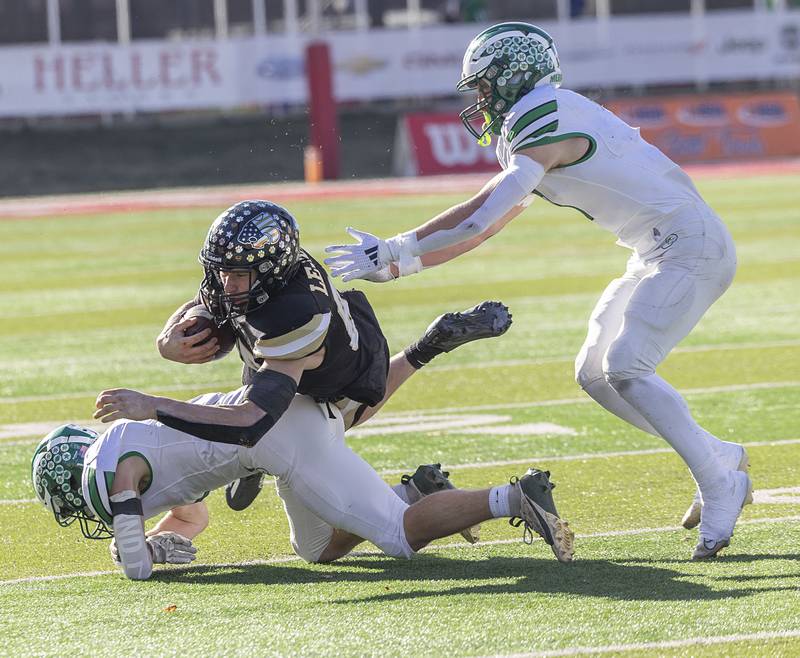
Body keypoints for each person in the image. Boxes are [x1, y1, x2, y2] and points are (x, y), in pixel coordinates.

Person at [323, 22, 751, 560]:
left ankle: (719, 483)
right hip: (658, 249)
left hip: (690, 246)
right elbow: (489, 221)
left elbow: (482, 217)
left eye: (483, 85)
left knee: (626, 366)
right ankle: (719, 457)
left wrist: (394, 249)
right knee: (594, 374)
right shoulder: (540, 117)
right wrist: (399, 264)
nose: (479, 98)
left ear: (511, 76)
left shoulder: (540, 114)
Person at [154, 200, 512, 546]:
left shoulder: (293, 316)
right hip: (328, 333)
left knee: (331, 423)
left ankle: (429, 347)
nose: (224, 284)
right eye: (221, 271)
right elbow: (210, 302)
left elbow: (255, 418)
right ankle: (258, 465)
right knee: (267, 397)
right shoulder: (269, 273)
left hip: (343, 374)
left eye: (235, 275)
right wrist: (168, 338)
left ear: (269, 270)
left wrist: (155, 408)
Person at [31, 408, 574, 580]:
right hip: (271, 434)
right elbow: (191, 517)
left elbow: (135, 567)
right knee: (317, 550)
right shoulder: (132, 452)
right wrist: (153, 541)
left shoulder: (114, 470)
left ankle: (514, 497)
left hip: (279, 443)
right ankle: (412, 490)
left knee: (397, 541)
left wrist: (134, 550)